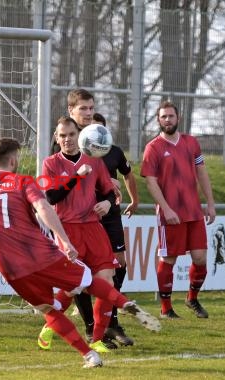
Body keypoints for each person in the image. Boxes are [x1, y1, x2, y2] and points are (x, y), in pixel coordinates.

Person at [0, 137, 159, 368]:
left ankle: (89, 355)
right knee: (88, 281)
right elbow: (44, 207)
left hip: (11, 268)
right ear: (13, 159)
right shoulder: (23, 182)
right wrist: (65, 242)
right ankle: (124, 303)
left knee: (48, 309)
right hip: (42, 254)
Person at [39, 116, 120, 353]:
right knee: (74, 287)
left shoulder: (94, 161)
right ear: (57, 138)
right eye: (62, 135)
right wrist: (76, 176)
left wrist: (106, 204)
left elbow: (107, 192)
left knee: (106, 281)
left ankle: (96, 338)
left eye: (71, 134)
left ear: (80, 135)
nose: (67, 140)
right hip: (67, 230)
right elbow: (52, 197)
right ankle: (51, 324)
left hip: (93, 228)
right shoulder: (50, 163)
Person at [140, 100, 215, 319]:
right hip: (170, 215)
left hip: (194, 213)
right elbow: (150, 182)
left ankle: (192, 299)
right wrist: (166, 209)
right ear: (158, 120)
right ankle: (165, 308)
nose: (167, 120)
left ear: (178, 118)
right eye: (163, 117)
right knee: (169, 259)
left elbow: (202, 172)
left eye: (171, 116)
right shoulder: (153, 147)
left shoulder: (192, 142)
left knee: (200, 259)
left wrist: (210, 203)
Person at [91, 111, 139, 347]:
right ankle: (96, 326)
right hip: (85, 217)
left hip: (110, 214)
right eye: (91, 128)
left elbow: (128, 174)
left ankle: (110, 319)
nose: (96, 133)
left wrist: (135, 199)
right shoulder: (80, 154)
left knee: (119, 264)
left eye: (100, 129)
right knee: (85, 272)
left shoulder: (114, 152)